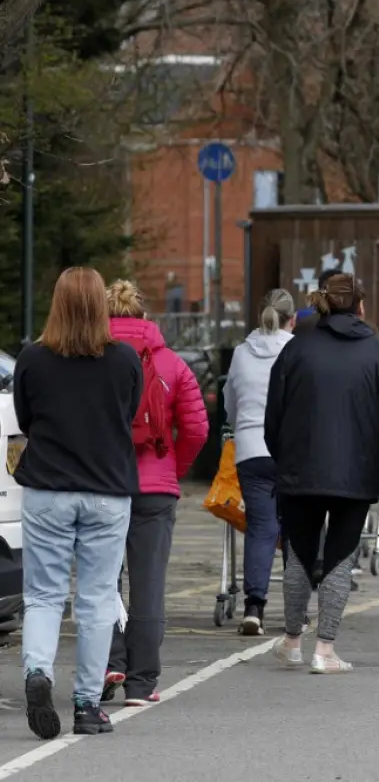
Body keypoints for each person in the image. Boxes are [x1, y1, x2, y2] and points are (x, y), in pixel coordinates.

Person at [265, 273, 379, 673]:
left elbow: (272, 418)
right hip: (356, 473)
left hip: (299, 470)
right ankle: (325, 649)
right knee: (338, 558)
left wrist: (285, 460)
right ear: (362, 307)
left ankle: (292, 641)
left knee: (298, 553)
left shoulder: (296, 349)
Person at [14, 267, 142, 739]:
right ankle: (88, 705)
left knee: (44, 595)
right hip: (106, 490)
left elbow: (27, 419)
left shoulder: (33, 358)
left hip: (48, 487)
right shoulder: (125, 360)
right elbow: (127, 414)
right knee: (96, 599)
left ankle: (37, 672)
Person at [101, 281, 208, 708]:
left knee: (101, 582)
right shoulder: (171, 363)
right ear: (145, 315)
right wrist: (173, 469)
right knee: (149, 586)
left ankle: (107, 662)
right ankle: (141, 684)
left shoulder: (91, 359)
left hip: (102, 481)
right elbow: (197, 429)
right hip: (154, 487)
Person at [222, 289, 296, 635]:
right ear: (291, 319)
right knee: (297, 528)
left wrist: (241, 426)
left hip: (251, 449)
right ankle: (297, 610)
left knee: (261, 529)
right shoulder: (297, 351)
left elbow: (230, 404)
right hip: (292, 451)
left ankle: (254, 606)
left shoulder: (240, 354)